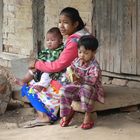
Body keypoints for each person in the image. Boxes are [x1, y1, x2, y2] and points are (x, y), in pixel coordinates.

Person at [21, 7, 90, 128]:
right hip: (84, 77)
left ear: (75, 23)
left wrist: (36, 64)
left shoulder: (74, 41)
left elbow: (58, 65)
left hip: (77, 83)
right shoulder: (84, 33)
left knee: (30, 87)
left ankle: (45, 116)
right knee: (43, 80)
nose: (61, 26)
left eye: (66, 22)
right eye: (60, 22)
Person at [59, 35, 104, 130]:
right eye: (79, 52)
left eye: (86, 53)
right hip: (78, 88)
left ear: (94, 53)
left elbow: (92, 81)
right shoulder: (76, 61)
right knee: (64, 89)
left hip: (92, 90)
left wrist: (80, 79)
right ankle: (68, 113)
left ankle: (88, 115)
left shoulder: (94, 66)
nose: (82, 55)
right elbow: (70, 71)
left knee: (86, 88)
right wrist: (69, 74)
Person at [15, 27, 64, 92]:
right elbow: (41, 57)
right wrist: (38, 63)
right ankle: (24, 80)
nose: (49, 42)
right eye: (47, 40)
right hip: (43, 67)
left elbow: (57, 63)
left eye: (52, 40)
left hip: (53, 70)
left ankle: (41, 85)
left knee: (46, 75)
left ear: (60, 41)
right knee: (31, 71)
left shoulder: (61, 50)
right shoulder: (46, 51)